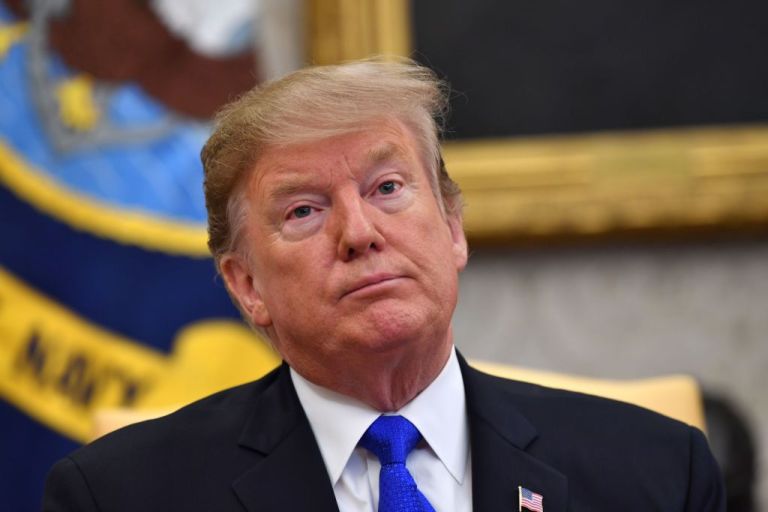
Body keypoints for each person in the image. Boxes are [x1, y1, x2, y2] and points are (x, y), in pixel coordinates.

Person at [42, 59, 725, 512]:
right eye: (304, 210)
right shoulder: (121, 496)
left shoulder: (658, 473)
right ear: (246, 283)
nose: (360, 232)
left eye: (388, 187)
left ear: (453, 228)